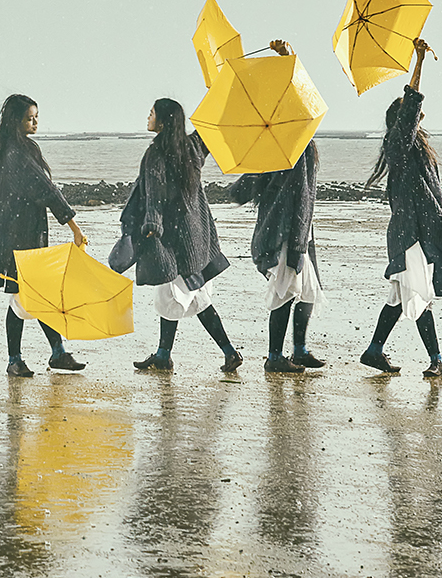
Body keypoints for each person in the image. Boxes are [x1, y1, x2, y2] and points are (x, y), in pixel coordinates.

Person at [0, 93, 90, 377]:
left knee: (37, 296)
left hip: (13, 237)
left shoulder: (7, 150)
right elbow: (47, 190)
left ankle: (56, 353)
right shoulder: (17, 153)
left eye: (37, 117)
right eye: (30, 118)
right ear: (16, 121)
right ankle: (18, 359)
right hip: (20, 240)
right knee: (22, 298)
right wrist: (74, 227)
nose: (36, 122)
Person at [111, 97, 241, 375]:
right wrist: (222, 96)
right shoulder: (192, 146)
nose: (148, 116)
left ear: (163, 120)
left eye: (152, 113)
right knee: (182, 295)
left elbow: (155, 196)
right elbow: (210, 128)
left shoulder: (156, 154)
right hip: (195, 235)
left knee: (182, 295)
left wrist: (152, 226)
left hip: (172, 240)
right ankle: (164, 355)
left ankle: (227, 352)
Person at [360, 39, 442, 378]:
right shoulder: (398, 144)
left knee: (405, 294)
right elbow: (413, 104)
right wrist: (418, 60)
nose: (418, 116)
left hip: (416, 230)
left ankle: (375, 350)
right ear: (401, 119)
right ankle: (436, 360)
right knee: (417, 294)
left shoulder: (415, 150)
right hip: (409, 233)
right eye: (410, 113)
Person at [227, 45, 324, 374]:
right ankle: (274, 357)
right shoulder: (276, 147)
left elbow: (305, 102)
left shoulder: (301, 142)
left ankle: (298, 349)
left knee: (308, 291)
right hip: (282, 232)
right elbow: (241, 192)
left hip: (299, 231)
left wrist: (290, 60)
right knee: (286, 291)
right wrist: (252, 169)